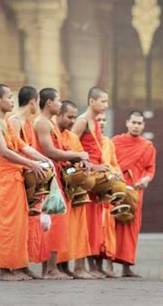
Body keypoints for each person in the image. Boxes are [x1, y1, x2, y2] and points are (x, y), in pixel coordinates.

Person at [0, 83, 49, 281]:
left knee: (20, 226)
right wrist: (31, 164)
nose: (12, 100)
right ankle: (5, 270)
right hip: (3, 182)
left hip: (15, 179)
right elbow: (4, 151)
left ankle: (19, 265)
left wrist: (44, 160)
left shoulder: (7, 123)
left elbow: (22, 146)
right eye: (9, 96)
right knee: (6, 225)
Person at [33, 88, 89, 280]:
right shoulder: (42, 122)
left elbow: (59, 151)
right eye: (57, 101)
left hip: (55, 176)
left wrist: (75, 161)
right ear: (49, 103)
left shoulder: (49, 124)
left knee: (55, 222)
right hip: (48, 178)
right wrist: (77, 155)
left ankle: (51, 267)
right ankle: (50, 269)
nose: (59, 104)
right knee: (52, 222)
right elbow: (50, 152)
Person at [8, 85, 49, 279]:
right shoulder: (14, 121)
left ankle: (24, 265)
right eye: (37, 101)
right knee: (17, 226)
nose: (38, 105)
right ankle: (14, 266)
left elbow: (27, 148)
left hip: (29, 174)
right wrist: (32, 164)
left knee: (28, 226)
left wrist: (44, 161)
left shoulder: (27, 123)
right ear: (33, 101)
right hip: (17, 176)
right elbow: (13, 150)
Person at [111, 110, 156, 277]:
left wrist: (146, 179)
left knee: (131, 227)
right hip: (117, 190)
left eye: (139, 123)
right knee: (112, 225)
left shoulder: (147, 146)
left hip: (136, 192)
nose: (136, 126)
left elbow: (150, 169)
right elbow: (109, 162)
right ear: (127, 123)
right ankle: (108, 265)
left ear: (144, 126)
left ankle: (126, 267)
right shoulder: (115, 142)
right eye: (134, 122)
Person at [71, 87, 110, 278]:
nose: (106, 105)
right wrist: (93, 168)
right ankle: (78, 267)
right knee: (82, 224)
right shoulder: (82, 121)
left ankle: (86, 266)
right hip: (84, 179)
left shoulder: (94, 122)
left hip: (95, 181)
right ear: (91, 101)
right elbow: (70, 147)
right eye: (103, 101)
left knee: (92, 226)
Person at [55, 100, 95, 279]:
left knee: (77, 229)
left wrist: (85, 164)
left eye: (74, 117)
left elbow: (80, 156)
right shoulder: (53, 133)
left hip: (74, 189)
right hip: (58, 187)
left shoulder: (71, 137)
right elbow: (52, 154)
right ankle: (58, 267)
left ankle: (71, 267)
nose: (73, 121)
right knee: (60, 227)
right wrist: (76, 157)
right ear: (59, 115)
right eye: (69, 117)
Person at [96, 112, 121, 278]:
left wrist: (117, 173)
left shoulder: (108, 143)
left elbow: (114, 163)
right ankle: (96, 266)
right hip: (96, 191)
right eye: (99, 120)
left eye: (104, 120)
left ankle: (110, 265)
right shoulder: (88, 141)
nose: (102, 123)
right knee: (97, 228)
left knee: (110, 229)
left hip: (109, 191)